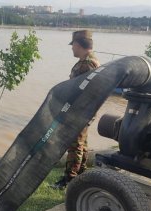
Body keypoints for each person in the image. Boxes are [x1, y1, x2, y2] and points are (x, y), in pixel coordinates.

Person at [53, 30, 100, 190]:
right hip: (82, 109)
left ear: (78, 45)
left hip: (81, 110)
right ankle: (80, 174)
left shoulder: (88, 64)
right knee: (81, 142)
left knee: (75, 144)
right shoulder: (87, 61)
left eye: (73, 45)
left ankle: (70, 179)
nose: (71, 48)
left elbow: (87, 91)